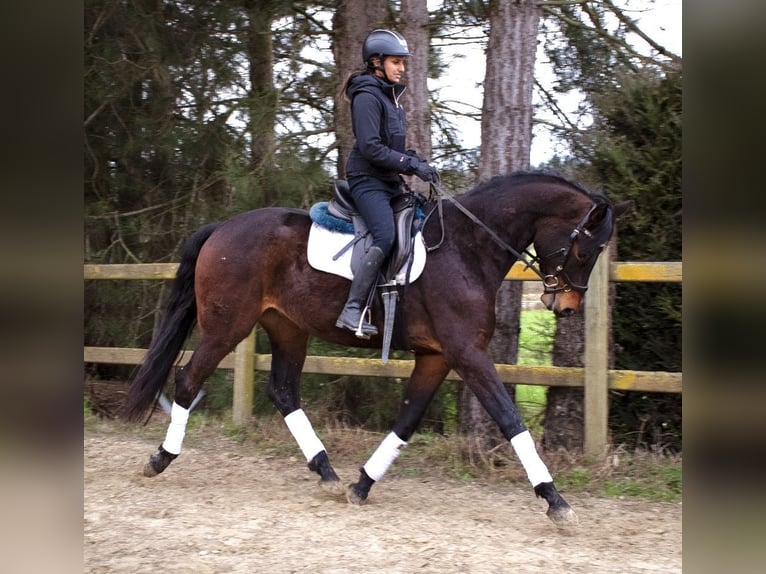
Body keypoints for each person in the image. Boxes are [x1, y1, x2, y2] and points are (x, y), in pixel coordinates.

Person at [335, 29, 437, 338]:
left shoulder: (392, 99)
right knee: (385, 236)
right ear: (376, 62)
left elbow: (390, 146)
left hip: (388, 180)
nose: (401, 68)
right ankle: (352, 310)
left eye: (403, 63)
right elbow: (371, 147)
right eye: (396, 62)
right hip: (367, 180)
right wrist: (410, 166)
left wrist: (416, 160)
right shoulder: (367, 96)